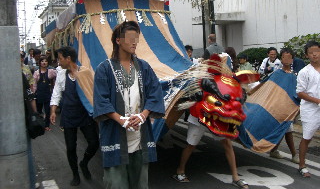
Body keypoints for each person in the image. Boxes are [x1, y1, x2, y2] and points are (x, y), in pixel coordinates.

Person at [93, 21, 165, 189]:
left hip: (140, 135)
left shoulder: (144, 67)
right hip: (115, 133)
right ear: (118, 40)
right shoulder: (104, 68)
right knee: (117, 184)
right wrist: (121, 120)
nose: (135, 42)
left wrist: (143, 115)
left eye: (137, 38)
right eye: (131, 38)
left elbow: (155, 93)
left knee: (141, 184)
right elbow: (101, 100)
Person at [50, 46, 99, 186]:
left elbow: (92, 92)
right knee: (71, 147)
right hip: (68, 116)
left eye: (60, 58)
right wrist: (53, 111)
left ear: (68, 59)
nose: (58, 62)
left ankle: (84, 163)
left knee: (94, 143)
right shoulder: (60, 73)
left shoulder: (85, 72)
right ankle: (75, 174)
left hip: (84, 115)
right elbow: (56, 93)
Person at [172, 113, 249, 188]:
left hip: (217, 117)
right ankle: (180, 170)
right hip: (199, 115)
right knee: (191, 145)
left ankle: (235, 178)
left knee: (227, 144)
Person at [268, 48, 299, 164]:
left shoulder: (294, 76)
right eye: (284, 57)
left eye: (289, 57)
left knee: (286, 129)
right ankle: (293, 154)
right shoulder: (276, 74)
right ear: (281, 59)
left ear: (292, 59)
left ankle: (275, 150)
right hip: (278, 107)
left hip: (288, 107)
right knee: (285, 129)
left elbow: (297, 92)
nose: (286, 60)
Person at [296, 40, 320, 178]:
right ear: (307, 55)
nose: (314, 55)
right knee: (307, 137)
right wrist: (317, 101)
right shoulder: (304, 72)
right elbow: (300, 92)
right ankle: (302, 165)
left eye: (316, 51)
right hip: (310, 109)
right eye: (311, 53)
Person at [33, 55, 57, 131]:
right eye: (42, 61)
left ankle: (46, 125)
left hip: (47, 94)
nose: (44, 63)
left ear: (48, 63)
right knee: (39, 111)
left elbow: (59, 75)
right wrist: (33, 93)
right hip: (39, 94)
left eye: (46, 61)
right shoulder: (36, 73)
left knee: (47, 110)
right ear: (39, 63)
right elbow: (34, 84)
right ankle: (39, 125)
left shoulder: (51, 71)